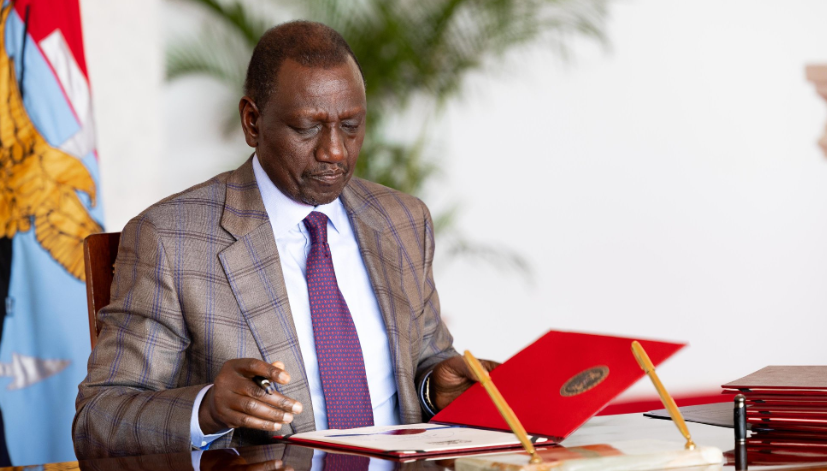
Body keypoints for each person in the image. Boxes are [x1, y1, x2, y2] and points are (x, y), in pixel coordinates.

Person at [73, 21, 495, 459]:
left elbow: (427, 363)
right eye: (308, 128)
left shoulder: (402, 221)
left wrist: (433, 390)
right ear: (252, 122)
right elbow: (100, 417)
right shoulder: (172, 239)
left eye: (350, 125)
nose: (334, 150)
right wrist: (208, 410)